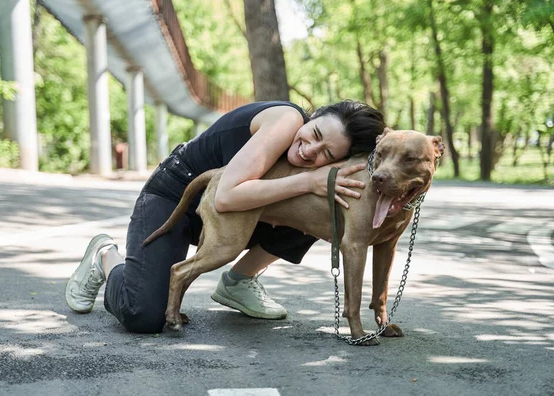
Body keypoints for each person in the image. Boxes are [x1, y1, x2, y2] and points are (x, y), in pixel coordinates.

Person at [65, 100, 386, 333]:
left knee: (327, 198)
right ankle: (105, 257)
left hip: (238, 212)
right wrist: (308, 179)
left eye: (326, 155)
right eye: (314, 133)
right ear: (311, 116)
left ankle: (239, 280)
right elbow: (226, 195)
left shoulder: (312, 160)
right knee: (144, 315)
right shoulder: (286, 121)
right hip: (175, 196)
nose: (309, 150)